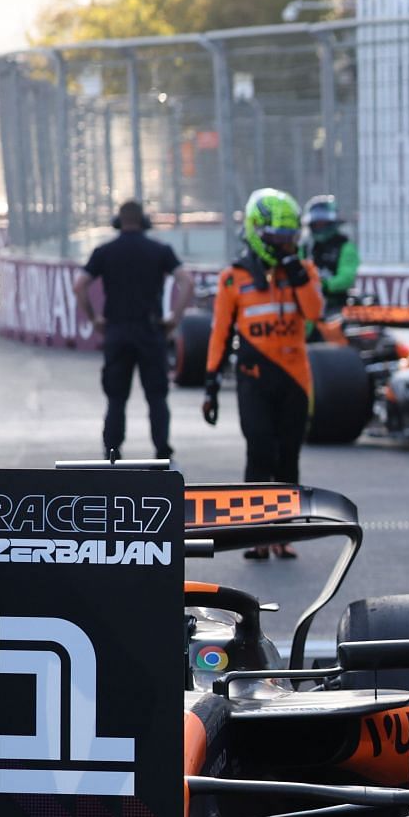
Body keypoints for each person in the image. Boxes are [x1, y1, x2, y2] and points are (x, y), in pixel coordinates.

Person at [202, 188, 323, 560]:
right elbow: (220, 332)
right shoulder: (233, 278)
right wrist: (211, 383)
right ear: (258, 232)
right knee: (259, 452)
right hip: (253, 378)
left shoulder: (305, 271)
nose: (285, 245)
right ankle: (254, 534)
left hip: (295, 380)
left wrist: (295, 271)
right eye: (278, 238)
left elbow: (315, 312)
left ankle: (284, 534)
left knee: (288, 456)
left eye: (290, 238)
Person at [74, 199, 192, 462]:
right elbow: (187, 281)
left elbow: (79, 285)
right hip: (150, 331)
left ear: (119, 222)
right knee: (157, 396)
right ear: (144, 222)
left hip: (116, 331)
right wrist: (175, 318)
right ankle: (162, 452)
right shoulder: (159, 250)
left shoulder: (105, 251)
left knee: (116, 398)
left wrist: (94, 318)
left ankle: (112, 453)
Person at [301, 195, 359, 306]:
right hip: (308, 302)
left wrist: (324, 285)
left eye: (322, 223)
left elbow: (346, 278)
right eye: (316, 223)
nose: (319, 227)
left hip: (336, 305)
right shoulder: (305, 247)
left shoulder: (345, 246)